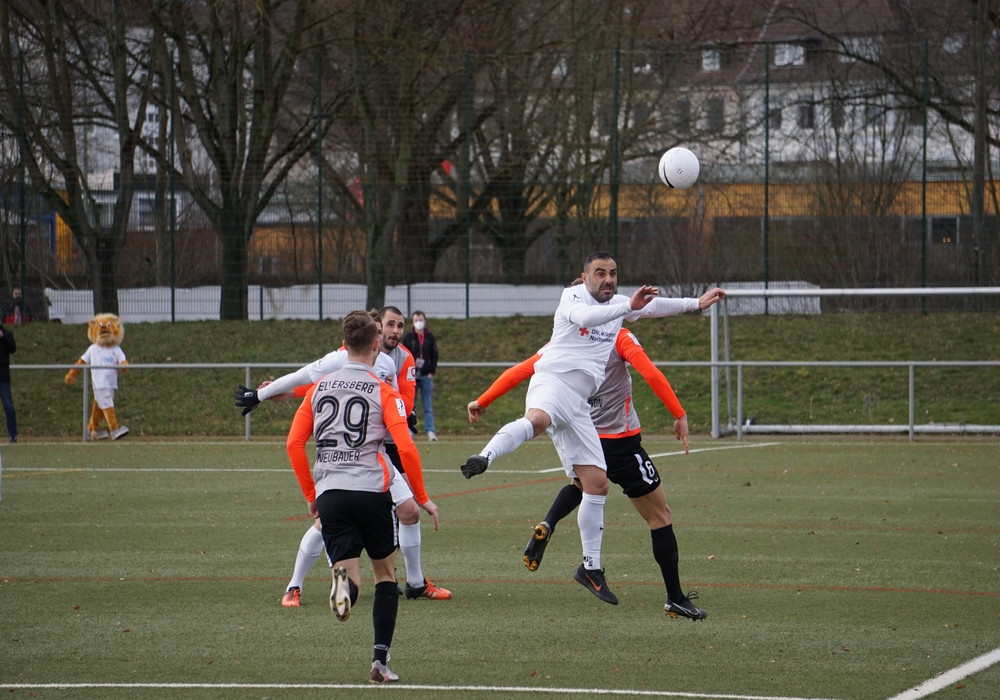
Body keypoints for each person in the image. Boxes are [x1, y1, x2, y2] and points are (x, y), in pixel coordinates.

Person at [460, 251, 725, 605]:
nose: (608, 279)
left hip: (581, 409)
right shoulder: (572, 299)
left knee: (595, 484)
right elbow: (588, 320)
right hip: (556, 385)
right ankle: (486, 455)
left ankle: (590, 568)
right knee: (537, 421)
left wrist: (696, 303)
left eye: (613, 273)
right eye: (600, 273)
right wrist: (627, 307)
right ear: (584, 278)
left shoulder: (617, 309)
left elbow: (653, 307)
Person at [468, 322, 708, 619]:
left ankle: (549, 523)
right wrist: (679, 413)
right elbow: (650, 372)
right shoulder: (618, 337)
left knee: (582, 485)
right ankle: (675, 598)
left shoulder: (564, 342)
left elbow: (520, 370)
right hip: (620, 442)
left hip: (584, 437)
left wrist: (483, 400)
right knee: (660, 516)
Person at [235, 308, 451, 604]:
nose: (391, 332)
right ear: (372, 337)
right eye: (386, 327)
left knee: (407, 511)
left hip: (374, 454)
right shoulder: (340, 361)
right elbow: (306, 381)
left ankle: (410, 583)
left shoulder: (389, 362)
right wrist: (265, 393)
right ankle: (296, 586)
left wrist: (267, 394)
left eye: (397, 326)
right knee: (344, 531)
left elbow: (308, 398)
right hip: (350, 458)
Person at [285, 310, 425, 682]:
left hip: (331, 493)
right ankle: (379, 662)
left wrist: (311, 495)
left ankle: (342, 585)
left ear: (343, 345)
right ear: (376, 344)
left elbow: (294, 443)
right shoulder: (384, 390)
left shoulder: (319, 388)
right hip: (371, 489)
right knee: (385, 576)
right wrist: (422, 496)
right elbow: (406, 448)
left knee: (351, 577)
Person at [402, 311, 438, 442]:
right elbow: (404, 355)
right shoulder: (408, 338)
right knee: (411, 404)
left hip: (426, 375)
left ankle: (430, 431)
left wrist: (431, 371)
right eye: (416, 320)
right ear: (412, 322)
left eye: (420, 319)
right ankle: (410, 430)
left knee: (427, 405)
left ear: (425, 320)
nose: (419, 322)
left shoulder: (429, 337)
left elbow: (434, 355)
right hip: (412, 376)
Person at [0, 322, 17, 442]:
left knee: (8, 406)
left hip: (3, 378)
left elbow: (12, 348)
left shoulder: (7, 334)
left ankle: (13, 434)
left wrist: (3, 337)